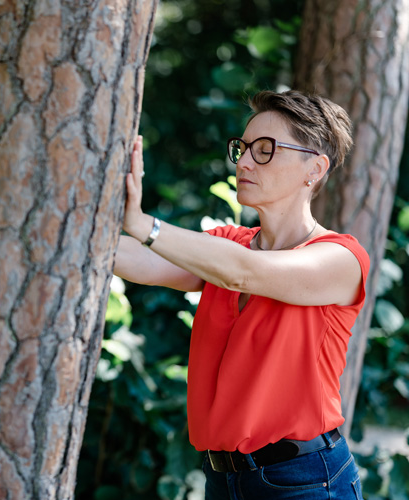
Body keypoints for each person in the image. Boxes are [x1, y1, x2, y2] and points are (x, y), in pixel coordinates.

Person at [114, 89, 369, 500]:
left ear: (315, 168)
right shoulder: (228, 245)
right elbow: (140, 261)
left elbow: (245, 274)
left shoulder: (340, 259)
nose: (244, 161)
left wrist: (145, 225)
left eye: (265, 150)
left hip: (305, 481)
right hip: (222, 480)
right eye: (243, 148)